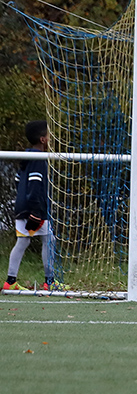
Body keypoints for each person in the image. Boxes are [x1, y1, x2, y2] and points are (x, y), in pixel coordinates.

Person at [5, 121, 58, 292]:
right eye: (49, 135)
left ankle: (10, 281)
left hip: (21, 206)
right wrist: (36, 210)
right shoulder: (38, 158)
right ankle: (49, 281)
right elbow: (35, 186)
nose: (51, 138)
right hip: (34, 208)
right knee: (49, 239)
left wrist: (22, 201)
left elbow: (18, 181)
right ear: (43, 139)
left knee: (23, 241)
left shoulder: (26, 156)